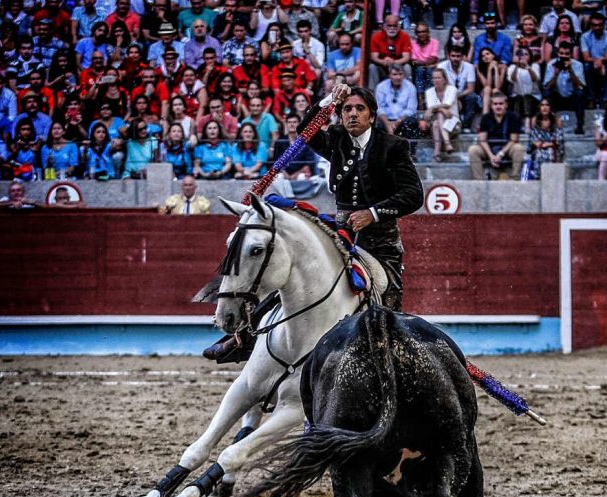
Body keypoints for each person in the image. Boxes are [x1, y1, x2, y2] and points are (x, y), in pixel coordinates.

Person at [203, 83, 421, 362]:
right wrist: (330, 99)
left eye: (359, 109)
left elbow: (413, 195)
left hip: (379, 240)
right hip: (340, 232)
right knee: (296, 273)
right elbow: (305, 129)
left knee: (386, 294)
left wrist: (374, 213)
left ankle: (389, 355)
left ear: (371, 115)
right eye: (346, 109)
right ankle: (242, 337)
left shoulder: (392, 146)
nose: (352, 114)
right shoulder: (338, 139)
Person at [468, 91, 525, 180]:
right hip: (489, 150)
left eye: (501, 104)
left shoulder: (513, 117)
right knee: (473, 150)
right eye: (495, 104)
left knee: (519, 148)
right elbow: (482, 140)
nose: (498, 106)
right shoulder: (486, 117)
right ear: (491, 105)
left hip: (507, 149)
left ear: (506, 104)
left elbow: (514, 140)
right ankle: (480, 181)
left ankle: (515, 179)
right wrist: (491, 156)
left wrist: (501, 154)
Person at [542, 42, 587, 135]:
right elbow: (547, 86)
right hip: (557, 97)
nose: (564, 56)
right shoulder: (551, 64)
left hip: (572, 98)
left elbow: (581, 86)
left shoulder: (578, 65)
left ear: (571, 54)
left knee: (580, 94)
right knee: (547, 94)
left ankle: (579, 125)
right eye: (561, 53)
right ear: (558, 53)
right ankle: (549, 124)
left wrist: (571, 71)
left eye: (567, 54)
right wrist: (556, 74)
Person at [424, 68, 460, 161]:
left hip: (453, 124)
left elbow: (447, 104)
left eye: (438, 78)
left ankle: (438, 151)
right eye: (434, 78)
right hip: (436, 122)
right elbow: (436, 110)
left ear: (445, 79)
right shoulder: (429, 92)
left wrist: (433, 108)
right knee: (436, 122)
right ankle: (445, 145)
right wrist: (441, 110)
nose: (435, 80)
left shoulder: (452, 89)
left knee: (439, 115)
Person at [525, 98, 564, 180]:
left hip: (553, 149)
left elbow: (559, 140)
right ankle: (538, 178)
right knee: (539, 154)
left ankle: (550, 179)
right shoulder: (535, 121)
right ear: (539, 107)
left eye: (547, 105)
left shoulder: (556, 121)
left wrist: (550, 144)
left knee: (550, 153)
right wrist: (537, 143)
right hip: (538, 149)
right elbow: (533, 139)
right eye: (542, 105)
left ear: (551, 107)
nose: (544, 107)